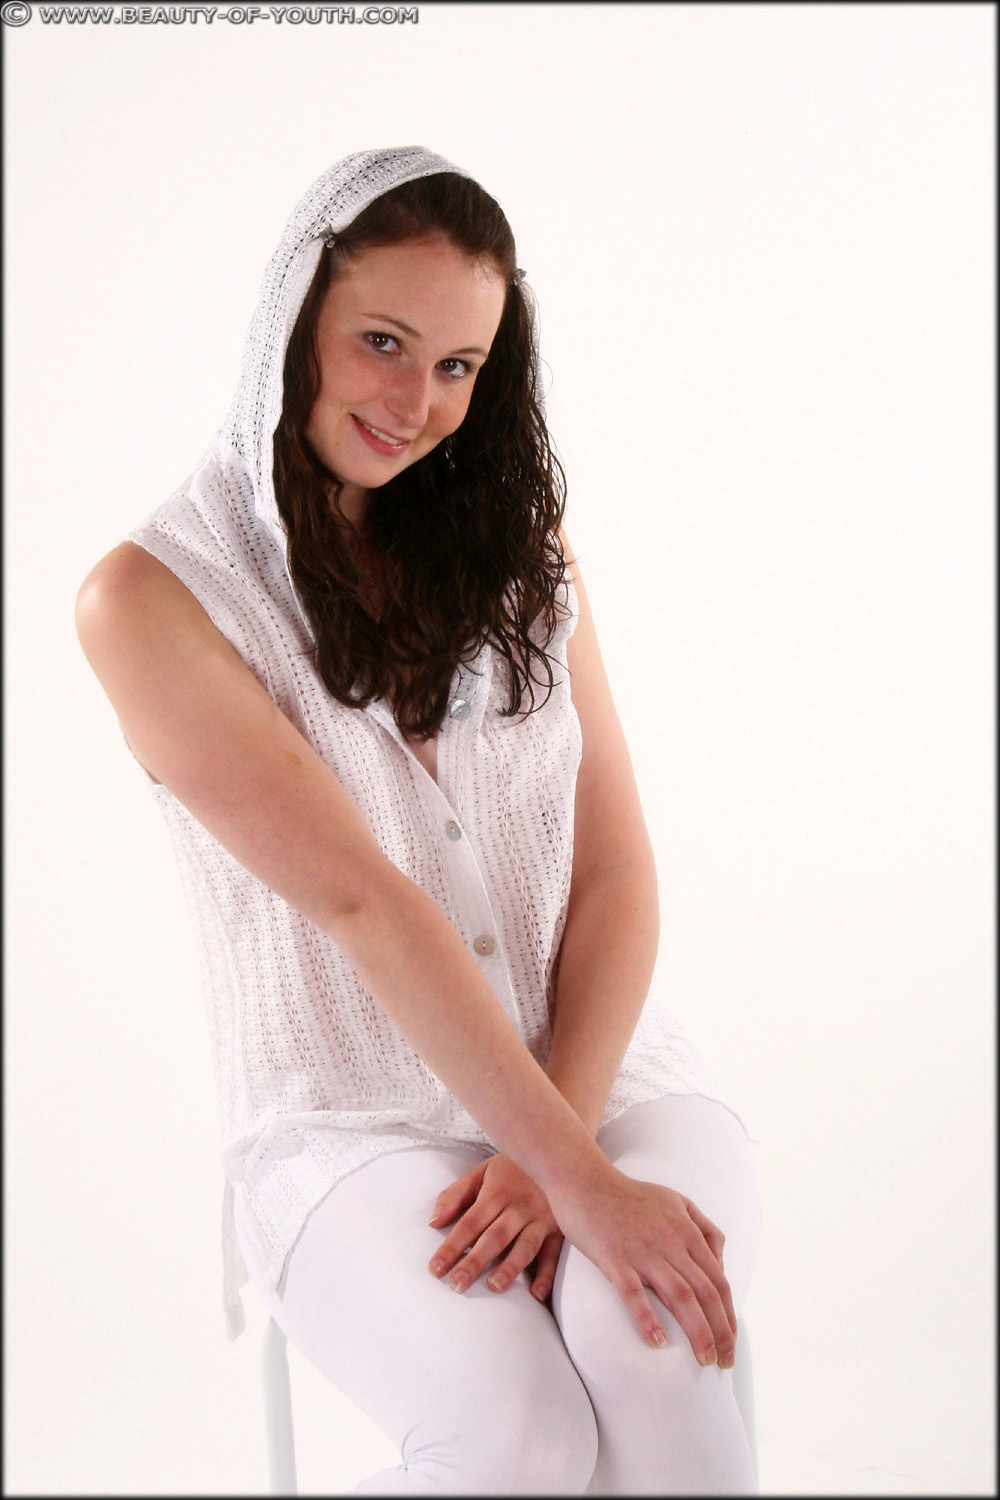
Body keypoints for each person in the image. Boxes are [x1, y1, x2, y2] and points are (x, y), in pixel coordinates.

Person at [76, 146, 761, 1495]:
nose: (417, 402)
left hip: (606, 1069)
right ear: (293, 320)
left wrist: (562, 1145)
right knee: (517, 1438)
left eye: (459, 366)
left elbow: (615, 869)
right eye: (382, 342)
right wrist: (566, 1175)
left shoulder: (521, 558)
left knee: (647, 1345)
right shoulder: (153, 600)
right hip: (350, 1119)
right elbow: (361, 901)